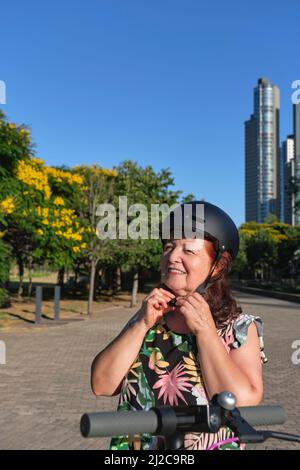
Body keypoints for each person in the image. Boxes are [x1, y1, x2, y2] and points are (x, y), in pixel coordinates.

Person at [91, 201, 267, 450]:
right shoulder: (148, 320)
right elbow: (101, 384)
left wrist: (205, 331)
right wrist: (140, 324)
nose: (172, 256)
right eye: (169, 246)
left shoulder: (238, 328)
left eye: (188, 250)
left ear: (218, 265)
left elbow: (243, 402)